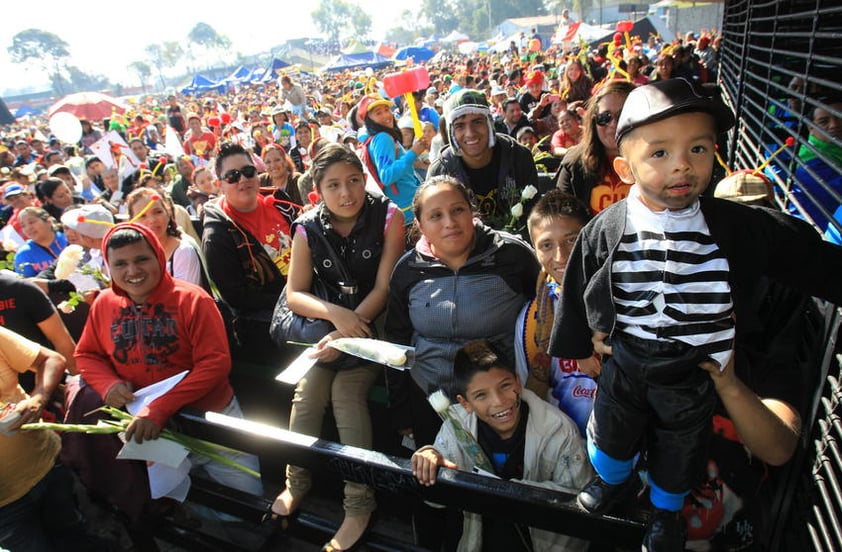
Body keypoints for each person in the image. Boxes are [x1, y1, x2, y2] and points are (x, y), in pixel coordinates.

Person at [549, 78, 842, 551]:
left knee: (680, 446)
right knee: (612, 427)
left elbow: (809, 257)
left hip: (694, 377)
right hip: (628, 364)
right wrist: (584, 342)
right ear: (624, 167)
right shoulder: (605, 229)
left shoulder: (739, 228)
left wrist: (725, 377)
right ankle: (611, 480)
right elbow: (581, 280)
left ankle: (666, 514)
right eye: (660, 152)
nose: (682, 164)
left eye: (699, 148)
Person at [66, 223, 262, 540]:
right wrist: (108, 385)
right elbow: (86, 354)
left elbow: (215, 363)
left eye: (141, 259)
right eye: (120, 263)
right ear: (108, 267)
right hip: (152, 432)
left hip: (210, 421)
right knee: (175, 498)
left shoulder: (192, 300)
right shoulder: (103, 303)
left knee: (247, 504)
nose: (133, 271)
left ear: (158, 255)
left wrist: (161, 408)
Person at [268, 144, 405, 551]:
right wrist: (334, 317)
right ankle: (296, 482)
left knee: (347, 395)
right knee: (307, 394)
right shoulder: (308, 227)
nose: (346, 193)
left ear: (365, 180)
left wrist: (347, 329)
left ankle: (359, 503)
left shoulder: (389, 216)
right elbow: (295, 294)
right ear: (317, 190)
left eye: (353, 181)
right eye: (333, 185)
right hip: (331, 323)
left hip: (372, 321)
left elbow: (384, 286)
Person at [385, 176, 540, 448]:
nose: (450, 222)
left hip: (501, 402)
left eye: (458, 210)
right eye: (436, 215)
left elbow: (545, 311)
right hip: (430, 399)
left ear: (472, 211)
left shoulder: (510, 256)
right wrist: (401, 410)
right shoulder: (408, 270)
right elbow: (396, 342)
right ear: (420, 226)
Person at [411, 339, 592, 552]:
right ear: (465, 403)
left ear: (517, 382)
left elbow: (579, 509)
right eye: (481, 395)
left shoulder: (558, 430)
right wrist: (431, 462)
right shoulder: (456, 426)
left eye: (505, 386)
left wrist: (514, 496)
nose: (498, 401)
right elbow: (436, 501)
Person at [0, 326, 103, 552]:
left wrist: (38, 397)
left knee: (76, 538)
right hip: (5, 507)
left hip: (48, 466)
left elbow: (52, 360)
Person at [202, 142, 296, 362]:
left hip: (310, 296)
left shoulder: (280, 202)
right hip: (268, 322)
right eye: (233, 176)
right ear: (220, 184)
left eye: (248, 171)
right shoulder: (218, 235)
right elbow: (237, 298)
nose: (243, 179)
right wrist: (296, 300)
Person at [515, 190, 595, 436]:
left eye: (572, 240)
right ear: (535, 251)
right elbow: (530, 395)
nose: (561, 256)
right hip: (563, 447)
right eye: (547, 245)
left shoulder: (621, 299)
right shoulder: (532, 320)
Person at [428, 90, 539, 230]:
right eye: (460, 125)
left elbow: (535, 215)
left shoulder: (519, 156)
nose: (470, 133)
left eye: (477, 122)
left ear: (489, 123)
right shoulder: (440, 171)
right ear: (451, 132)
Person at [555, 80, 637, 214]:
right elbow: (562, 217)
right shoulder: (574, 164)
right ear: (594, 121)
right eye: (605, 117)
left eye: (623, 116)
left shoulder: (659, 160)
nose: (613, 124)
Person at [359, 94, 427, 223]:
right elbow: (387, 176)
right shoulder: (383, 138)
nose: (386, 115)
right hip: (407, 211)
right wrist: (413, 153)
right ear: (369, 119)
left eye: (386, 110)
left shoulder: (377, 138)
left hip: (404, 208)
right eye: (378, 113)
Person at [126, 187, 205, 289]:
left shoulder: (183, 252)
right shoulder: (130, 255)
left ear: (168, 213)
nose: (152, 220)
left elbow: (185, 300)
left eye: (158, 212)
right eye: (142, 216)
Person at [14, 207, 68, 278]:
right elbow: (27, 285)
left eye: (31, 222)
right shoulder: (24, 254)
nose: (28, 228)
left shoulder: (68, 239)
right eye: (23, 226)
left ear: (48, 221)